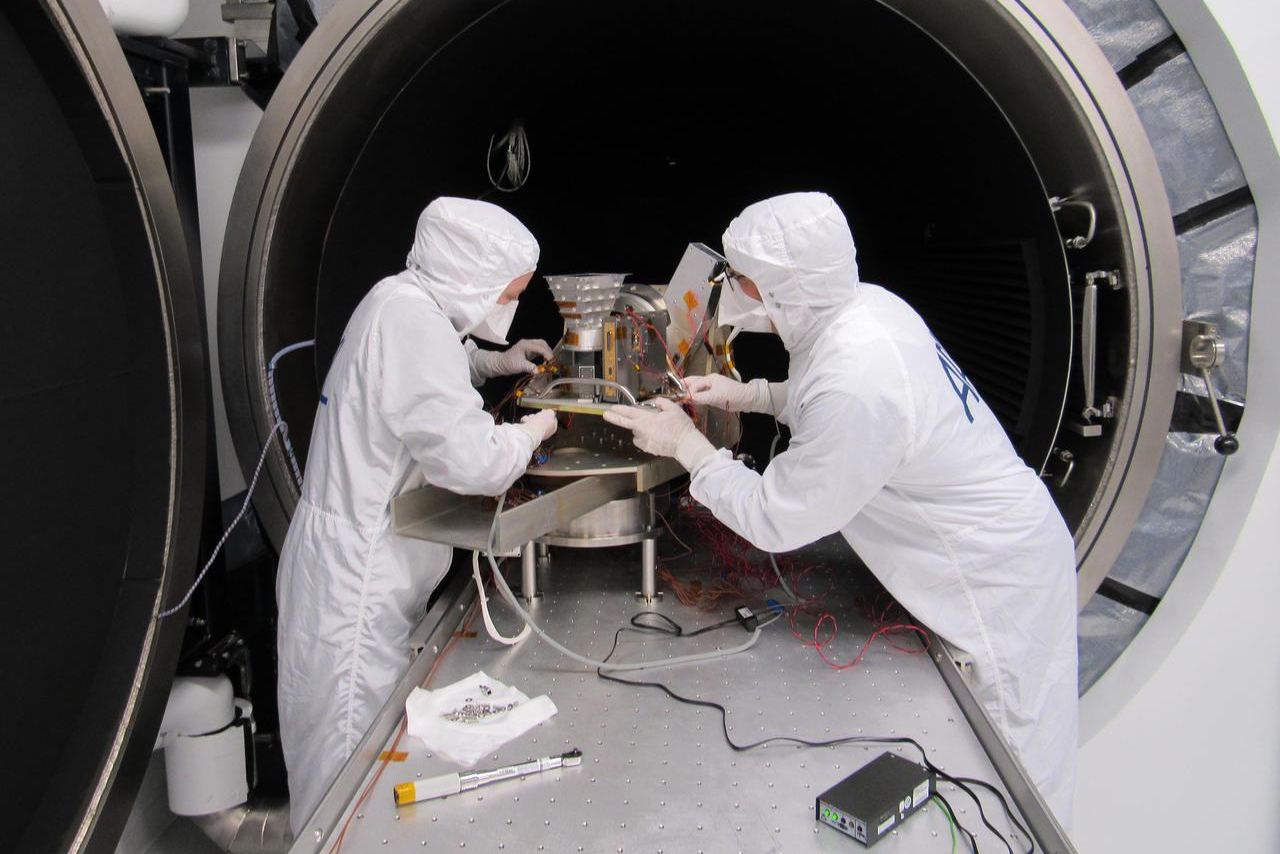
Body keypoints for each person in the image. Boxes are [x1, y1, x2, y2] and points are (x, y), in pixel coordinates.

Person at [603, 192, 1078, 825]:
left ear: (787, 286)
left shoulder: (861, 375)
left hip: (992, 578)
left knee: (1010, 771)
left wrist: (688, 448)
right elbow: (816, 391)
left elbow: (777, 518)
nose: (732, 293)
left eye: (741, 281)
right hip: (1002, 541)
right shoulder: (865, 308)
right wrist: (751, 395)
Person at [276, 197, 559, 833]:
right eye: (506, 293)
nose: (507, 306)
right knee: (345, 786)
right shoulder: (410, 322)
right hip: (356, 589)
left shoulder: (399, 300)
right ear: (470, 275)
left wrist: (498, 360)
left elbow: (435, 370)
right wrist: (534, 430)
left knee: (360, 769)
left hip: (356, 563)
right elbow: (475, 463)